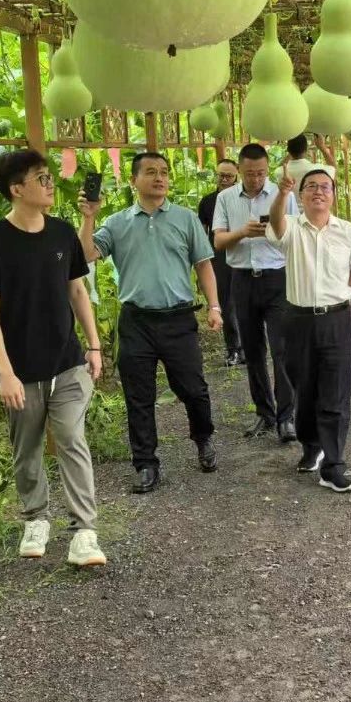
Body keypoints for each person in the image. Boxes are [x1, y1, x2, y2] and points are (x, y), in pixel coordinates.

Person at [0, 150, 105, 567]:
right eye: (41, 178)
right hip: (20, 369)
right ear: (17, 189)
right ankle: (36, 517)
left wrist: (95, 345)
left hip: (67, 361)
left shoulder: (63, 234)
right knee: (26, 447)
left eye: (49, 176)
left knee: (71, 438)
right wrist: (5, 374)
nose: (50, 184)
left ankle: (85, 530)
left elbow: (78, 292)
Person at [79, 152, 223, 494]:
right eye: (151, 172)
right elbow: (85, 255)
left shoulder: (186, 219)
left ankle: (203, 439)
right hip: (136, 321)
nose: (159, 178)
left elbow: (203, 264)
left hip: (178, 317)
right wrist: (88, 218)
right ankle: (145, 464)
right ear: (134, 181)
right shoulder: (115, 223)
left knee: (193, 388)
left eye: (164, 172)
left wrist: (214, 306)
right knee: (138, 396)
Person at [267, 168, 351, 492]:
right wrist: (281, 195)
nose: (318, 192)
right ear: (301, 195)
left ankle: (333, 465)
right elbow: (275, 224)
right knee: (304, 388)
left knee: (336, 392)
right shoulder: (291, 229)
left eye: (325, 187)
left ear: (333, 194)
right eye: (310, 187)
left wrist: (336, 298)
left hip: (336, 319)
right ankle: (312, 447)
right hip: (297, 319)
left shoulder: (349, 232)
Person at [213, 143, 298, 442]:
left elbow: (294, 238)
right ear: (239, 170)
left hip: (277, 279)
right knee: (253, 351)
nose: (256, 179)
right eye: (249, 174)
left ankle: (287, 417)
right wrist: (242, 233)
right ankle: (265, 413)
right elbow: (219, 242)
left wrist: (272, 233)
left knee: (282, 349)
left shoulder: (282, 195)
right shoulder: (225, 199)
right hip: (243, 280)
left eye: (261, 173)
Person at [198, 158, 243, 367]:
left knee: (246, 302)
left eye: (229, 176)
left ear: (237, 176)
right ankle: (233, 348)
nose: (225, 179)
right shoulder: (207, 202)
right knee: (225, 303)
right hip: (219, 258)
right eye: (221, 175)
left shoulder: (244, 199)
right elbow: (202, 234)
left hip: (243, 255)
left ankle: (249, 346)